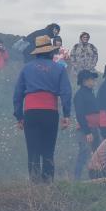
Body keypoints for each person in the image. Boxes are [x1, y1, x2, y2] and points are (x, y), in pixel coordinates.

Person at [13, 35, 72, 183]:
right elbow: (66, 92)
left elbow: (18, 94)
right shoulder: (59, 68)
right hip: (50, 113)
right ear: (51, 52)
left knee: (33, 151)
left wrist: (19, 117)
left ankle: (34, 188)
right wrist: (66, 115)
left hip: (31, 113)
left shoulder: (27, 68)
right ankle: (47, 185)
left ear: (37, 52)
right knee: (48, 151)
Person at [73, 70, 101, 181]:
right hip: (85, 129)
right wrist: (87, 131)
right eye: (90, 79)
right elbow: (80, 115)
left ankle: (96, 177)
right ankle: (77, 179)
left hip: (95, 127)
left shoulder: (91, 93)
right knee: (84, 154)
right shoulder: (79, 95)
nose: (93, 81)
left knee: (97, 154)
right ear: (84, 81)